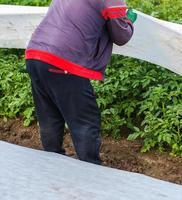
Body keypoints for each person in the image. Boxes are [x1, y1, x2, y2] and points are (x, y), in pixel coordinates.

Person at [25, 0, 137, 165]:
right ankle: (89, 171)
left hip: (35, 55)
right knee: (85, 123)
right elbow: (121, 36)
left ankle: (51, 171)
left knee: (49, 117)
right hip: (63, 60)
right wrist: (128, 21)